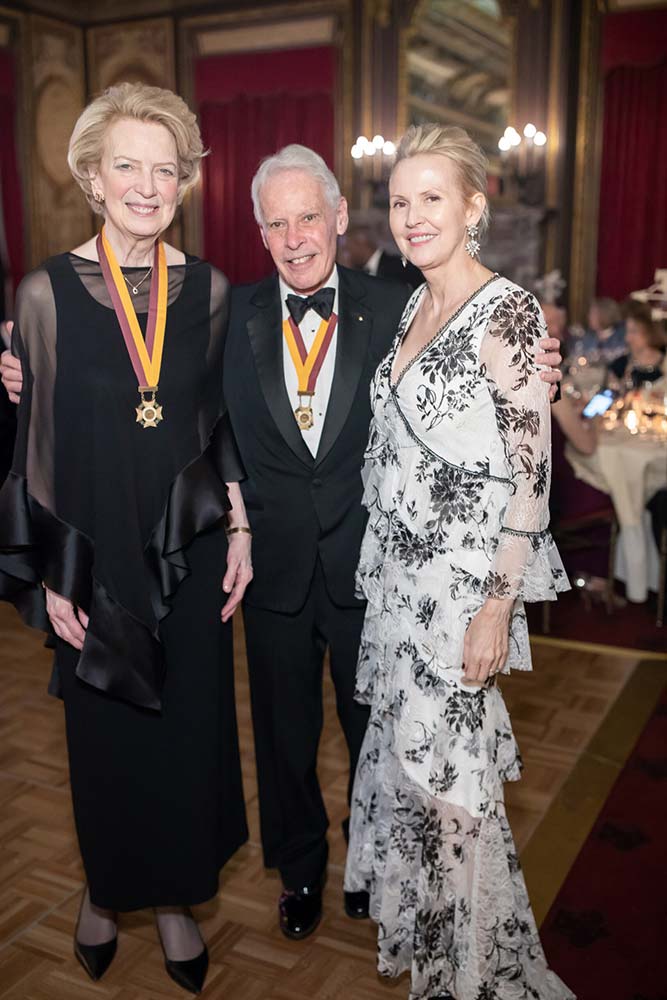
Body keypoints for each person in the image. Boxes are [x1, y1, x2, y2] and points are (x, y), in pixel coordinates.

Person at [222, 143, 564, 942]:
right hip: (274, 568)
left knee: (378, 737)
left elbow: (494, 381)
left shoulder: (398, 301)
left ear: (340, 217)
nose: (295, 238)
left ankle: (370, 866)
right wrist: (25, 360)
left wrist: (546, 364)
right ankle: (300, 871)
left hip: (378, 576)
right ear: (259, 231)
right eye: (276, 223)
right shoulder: (228, 314)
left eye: (309, 217)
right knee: (282, 738)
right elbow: (183, 407)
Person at [0, 83, 252, 994]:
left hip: (187, 551)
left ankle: (177, 900)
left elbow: (216, 422)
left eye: (165, 169)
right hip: (96, 558)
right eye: (127, 167)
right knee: (105, 745)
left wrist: (240, 526)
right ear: (93, 179)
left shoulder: (211, 290)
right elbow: (37, 446)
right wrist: (54, 572)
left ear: (184, 182)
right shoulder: (42, 292)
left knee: (186, 741)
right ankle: (105, 895)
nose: (148, 186)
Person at [343, 124, 574, 999]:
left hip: (460, 598)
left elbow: (530, 482)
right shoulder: (412, 303)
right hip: (400, 591)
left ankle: (473, 977)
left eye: (430, 198)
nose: (410, 216)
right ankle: (440, 966)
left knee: (455, 797)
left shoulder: (507, 312)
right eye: (398, 201)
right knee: (414, 786)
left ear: (473, 207)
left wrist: (495, 610)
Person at [344, 219, 423, 289]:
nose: (346, 255)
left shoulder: (399, 267)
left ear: (361, 243)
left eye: (347, 248)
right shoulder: (358, 274)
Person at [606, 300, 666, 389]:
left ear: (650, 332)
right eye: (627, 331)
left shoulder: (664, 363)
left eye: (633, 331)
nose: (627, 338)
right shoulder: (619, 366)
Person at [579, 296, 625, 361]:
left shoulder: (621, 337)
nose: (589, 317)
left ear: (605, 315)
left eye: (593, 314)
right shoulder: (588, 336)